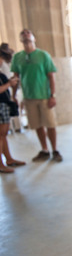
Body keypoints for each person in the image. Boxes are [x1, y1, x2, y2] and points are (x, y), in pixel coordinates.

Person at [11, 29, 63, 162]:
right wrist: (13, 96)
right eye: (23, 34)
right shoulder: (18, 57)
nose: (26, 35)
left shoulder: (43, 55)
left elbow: (51, 77)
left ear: (34, 38)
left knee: (50, 124)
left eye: (29, 33)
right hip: (29, 97)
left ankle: (55, 150)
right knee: (37, 124)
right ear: (21, 40)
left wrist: (53, 95)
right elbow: (16, 78)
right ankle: (44, 150)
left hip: (44, 96)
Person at [0, 45, 26, 173]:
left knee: (3, 135)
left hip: (4, 104)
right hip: (0, 105)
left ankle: (8, 159)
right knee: (1, 135)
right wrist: (9, 84)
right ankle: (1, 164)